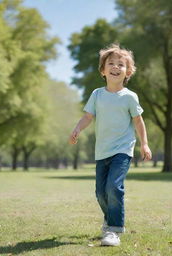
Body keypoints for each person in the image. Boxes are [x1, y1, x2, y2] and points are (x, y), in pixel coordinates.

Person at [68, 44, 152, 246]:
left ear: (128, 72)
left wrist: (145, 144)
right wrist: (78, 129)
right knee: (100, 192)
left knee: (114, 187)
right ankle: (110, 217)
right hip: (102, 151)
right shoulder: (97, 94)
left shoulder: (130, 97)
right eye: (111, 63)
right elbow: (88, 116)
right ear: (103, 70)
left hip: (123, 150)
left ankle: (113, 231)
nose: (115, 67)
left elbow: (138, 122)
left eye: (121, 64)